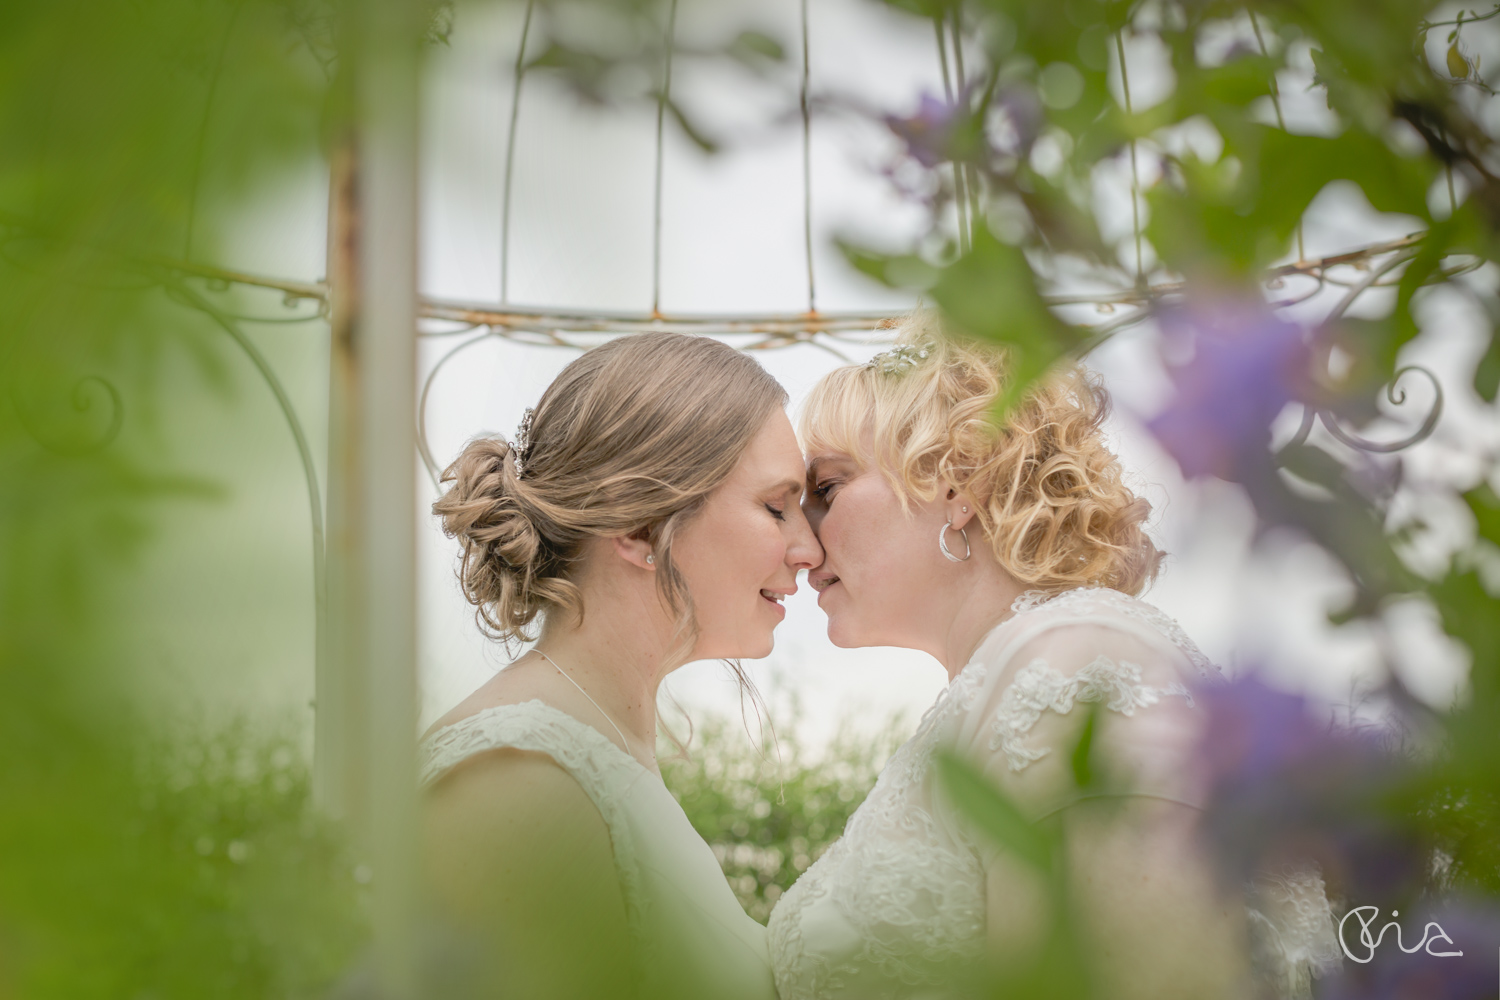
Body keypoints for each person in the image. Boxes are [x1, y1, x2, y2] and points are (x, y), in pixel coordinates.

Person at [767, 314, 1341, 1000]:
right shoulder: (1003, 680)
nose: (803, 538)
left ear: (957, 483)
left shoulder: (1074, 660)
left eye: (826, 489)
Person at [420, 332, 822, 1000]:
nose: (807, 546)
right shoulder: (519, 780)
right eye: (776, 507)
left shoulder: (600, 747)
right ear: (639, 527)